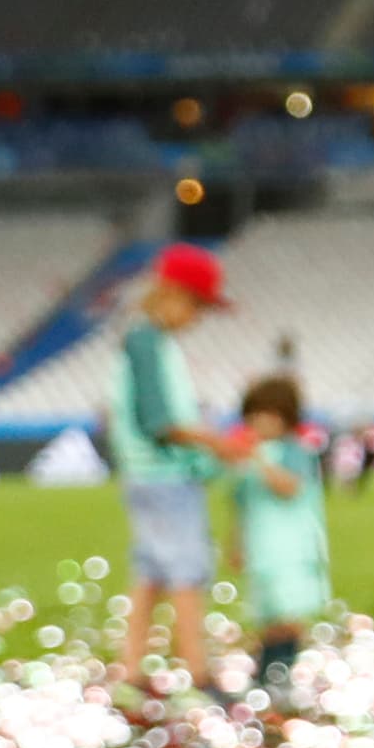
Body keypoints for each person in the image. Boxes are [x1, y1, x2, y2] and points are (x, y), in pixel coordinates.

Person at [106, 243, 233, 697]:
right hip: (162, 475)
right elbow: (158, 422)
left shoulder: (145, 339)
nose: (196, 318)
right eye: (196, 306)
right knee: (186, 571)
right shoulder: (147, 340)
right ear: (174, 295)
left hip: (145, 473)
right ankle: (198, 675)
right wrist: (215, 442)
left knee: (151, 572)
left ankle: (131, 673)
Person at [221, 374, 333, 692]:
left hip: (292, 547)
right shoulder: (246, 461)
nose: (257, 422)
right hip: (262, 547)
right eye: (252, 415)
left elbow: (289, 487)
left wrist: (260, 460)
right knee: (267, 613)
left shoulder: (295, 451)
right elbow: (240, 506)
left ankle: (282, 671)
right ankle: (266, 670)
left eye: (265, 414)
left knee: (290, 612)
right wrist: (237, 544)